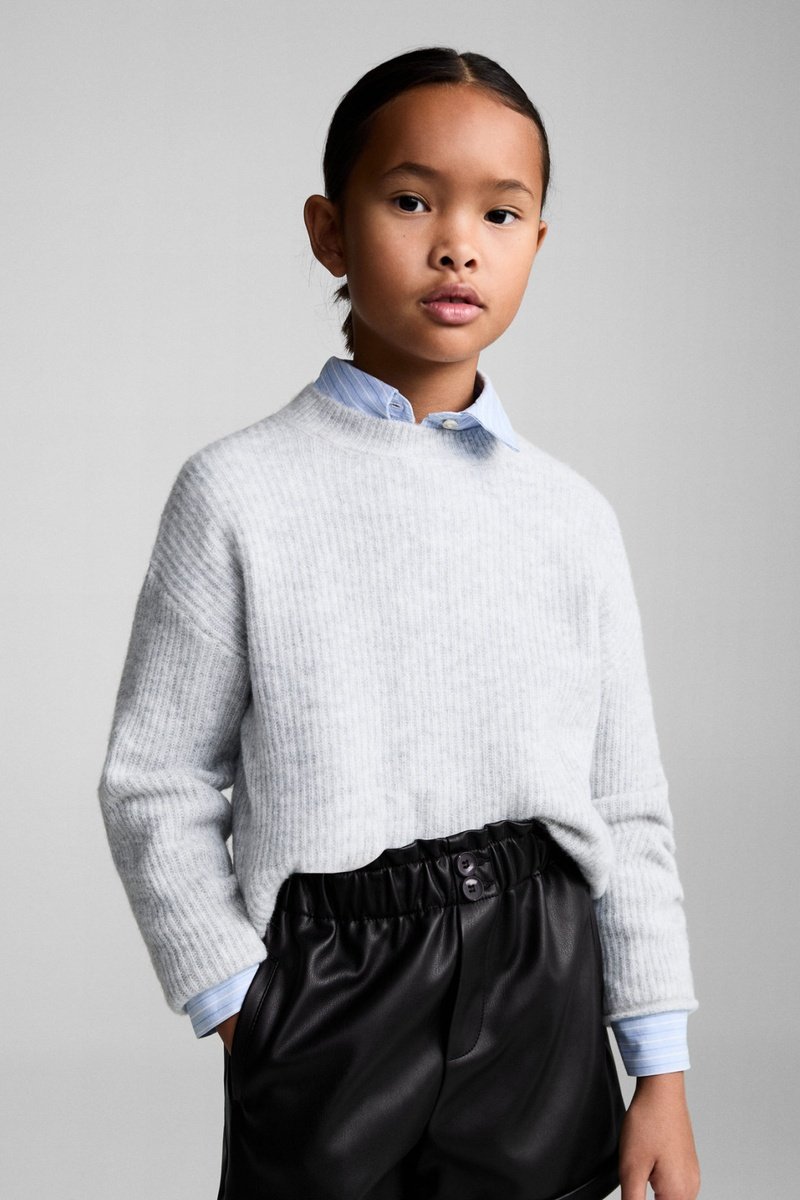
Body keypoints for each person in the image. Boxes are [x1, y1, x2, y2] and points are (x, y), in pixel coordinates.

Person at [97, 46, 701, 1200]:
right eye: (412, 200)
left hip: (540, 971)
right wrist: (239, 1001)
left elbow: (623, 802)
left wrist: (657, 1064)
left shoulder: (570, 516)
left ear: (534, 244)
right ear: (329, 232)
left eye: (500, 213)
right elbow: (153, 779)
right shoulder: (237, 492)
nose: (457, 244)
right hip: (331, 981)